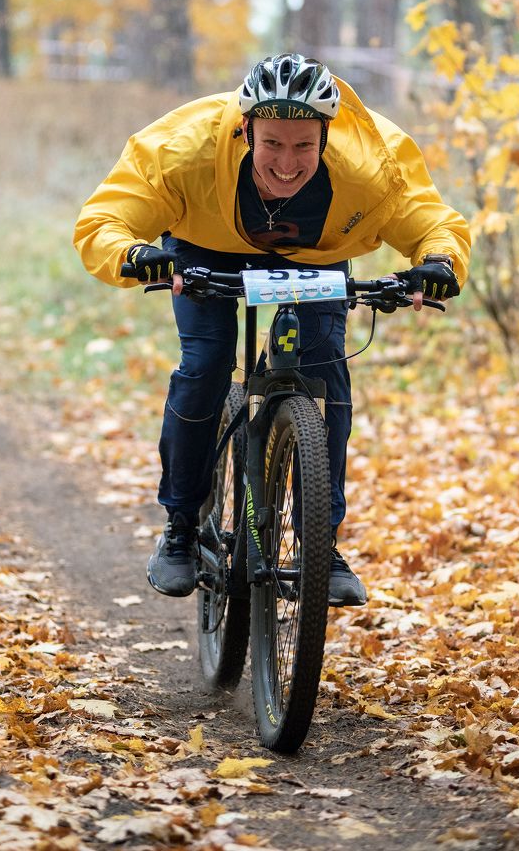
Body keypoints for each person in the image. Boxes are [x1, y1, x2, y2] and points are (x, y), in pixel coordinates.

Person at [73, 52, 470, 607]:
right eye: (273, 144)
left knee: (324, 370)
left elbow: (430, 220)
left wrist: (440, 262)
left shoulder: (371, 164)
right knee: (208, 362)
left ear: (327, 138)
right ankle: (181, 525)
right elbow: (105, 219)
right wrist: (136, 254)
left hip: (313, 257)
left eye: (305, 145)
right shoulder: (183, 150)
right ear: (245, 130)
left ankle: (319, 545)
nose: (288, 162)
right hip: (204, 249)